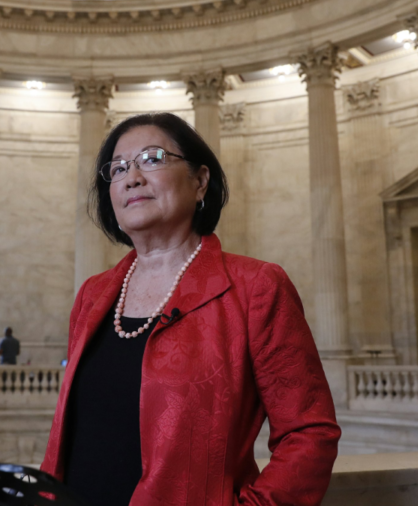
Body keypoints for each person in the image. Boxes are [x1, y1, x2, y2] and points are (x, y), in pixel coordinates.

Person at [41, 113, 340, 506]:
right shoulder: (92, 296)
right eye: (118, 168)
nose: (131, 177)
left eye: (151, 159)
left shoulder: (256, 287)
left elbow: (309, 431)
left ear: (200, 181)